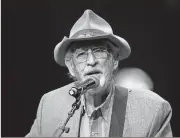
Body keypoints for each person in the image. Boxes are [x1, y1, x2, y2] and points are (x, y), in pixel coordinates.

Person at [26, 9, 172, 137]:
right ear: (71, 67)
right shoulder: (50, 105)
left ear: (114, 60)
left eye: (99, 51)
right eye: (82, 54)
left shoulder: (152, 109)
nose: (91, 61)